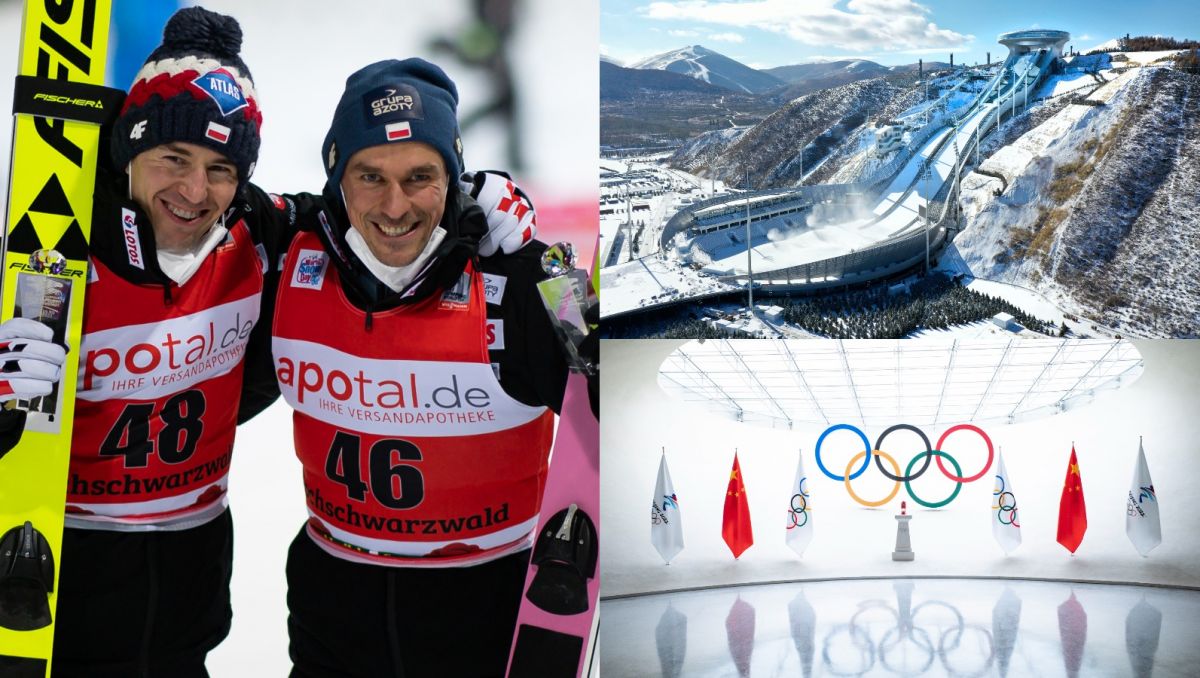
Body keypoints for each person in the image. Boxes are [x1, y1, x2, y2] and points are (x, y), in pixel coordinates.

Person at [0, 8, 535, 677]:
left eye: (221, 168)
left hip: (184, 609)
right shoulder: (45, 258)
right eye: (172, 159)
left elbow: (369, 219)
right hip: (48, 596)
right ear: (128, 149)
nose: (194, 191)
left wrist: (477, 201)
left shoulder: (261, 235)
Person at [269, 58, 568, 677]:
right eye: (370, 175)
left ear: (455, 180)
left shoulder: (518, 273)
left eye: (421, 176)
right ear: (338, 182)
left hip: (484, 605)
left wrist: (557, 271)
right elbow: (191, 207)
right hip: (332, 604)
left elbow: (602, 350)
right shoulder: (290, 256)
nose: (395, 204)